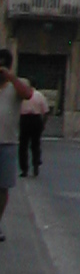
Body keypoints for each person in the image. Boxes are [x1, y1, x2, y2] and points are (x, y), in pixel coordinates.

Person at [0, 48, 33, 240]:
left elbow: (27, 94)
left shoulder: (17, 85)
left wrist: (11, 77)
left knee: (3, 188)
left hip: (8, 143)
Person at [18, 86, 49, 177]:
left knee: (23, 145)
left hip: (24, 119)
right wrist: (43, 124)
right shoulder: (39, 95)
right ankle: (36, 164)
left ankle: (24, 169)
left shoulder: (21, 96)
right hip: (36, 119)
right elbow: (46, 111)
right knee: (35, 144)